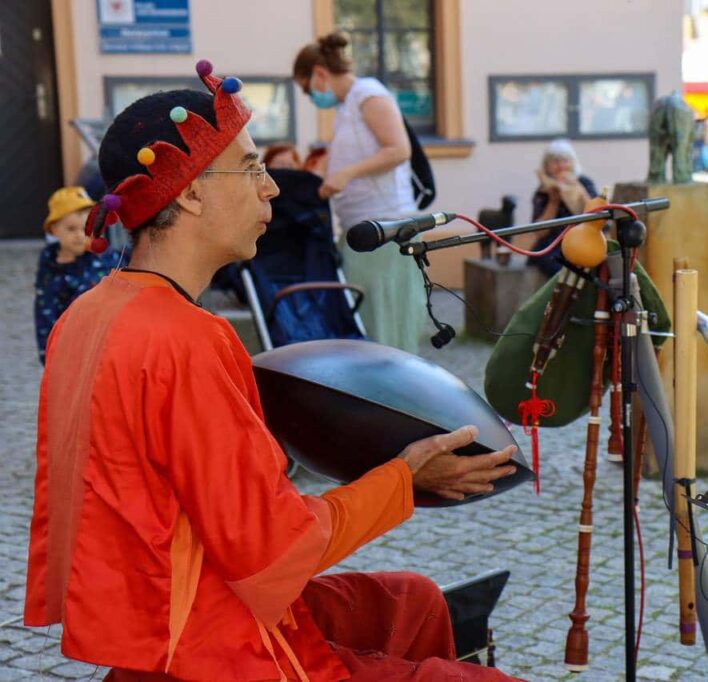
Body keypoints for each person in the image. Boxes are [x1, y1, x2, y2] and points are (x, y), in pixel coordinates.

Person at [24, 61, 521, 681]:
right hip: (215, 646)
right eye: (253, 168)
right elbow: (273, 553)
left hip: (175, 607)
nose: (273, 189)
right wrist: (404, 477)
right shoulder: (187, 338)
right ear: (192, 191)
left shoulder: (86, 315)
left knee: (411, 599)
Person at [292, 33, 426, 353]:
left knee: (386, 324)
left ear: (320, 74)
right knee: (369, 321)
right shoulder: (346, 108)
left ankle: (395, 394)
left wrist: (345, 174)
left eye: (308, 89)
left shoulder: (369, 94)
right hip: (363, 229)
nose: (312, 97)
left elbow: (398, 150)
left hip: (386, 226)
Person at [33, 186, 122, 364]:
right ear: (53, 230)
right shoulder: (50, 268)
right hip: (70, 349)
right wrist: (48, 354)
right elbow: (44, 312)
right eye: (71, 229)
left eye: (86, 229)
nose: (80, 236)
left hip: (106, 344)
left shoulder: (106, 256)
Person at [526, 138, 598, 277]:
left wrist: (578, 191)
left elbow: (600, 217)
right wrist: (553, 201)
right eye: (555, 161)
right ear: (546, 166)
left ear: (573, 163)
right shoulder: (543, 191)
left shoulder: (584, 182)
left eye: (565, 160)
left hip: (583, 241)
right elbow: (540, 232)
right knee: (556, 266)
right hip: (553, 244)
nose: (561, 166)